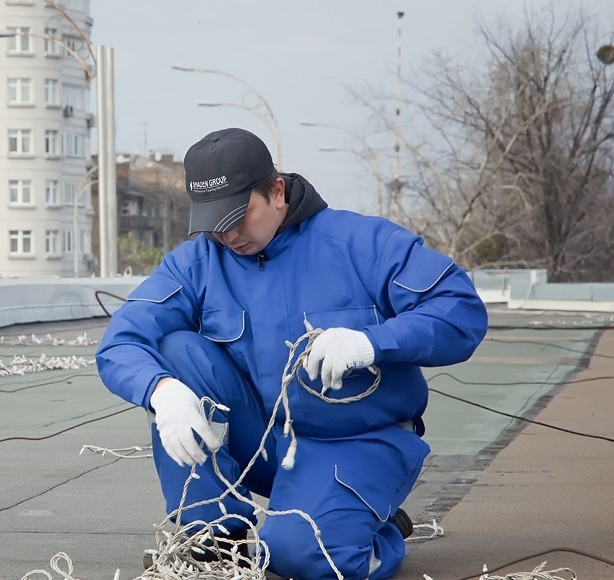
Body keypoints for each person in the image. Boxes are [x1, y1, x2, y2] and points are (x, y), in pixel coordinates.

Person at [95, 128, 488, 579]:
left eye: (239, 215)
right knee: (174, 350)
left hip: (355, 442)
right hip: (261, 442)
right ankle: (211, 539)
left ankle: (378, 527)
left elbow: (461, 310)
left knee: (307, 558)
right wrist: (161, 391)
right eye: (214, 221)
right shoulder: (198, 261)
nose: (227, 235)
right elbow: (120, 342)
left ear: (276, 190)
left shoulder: (360, 243)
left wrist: (371, 342)